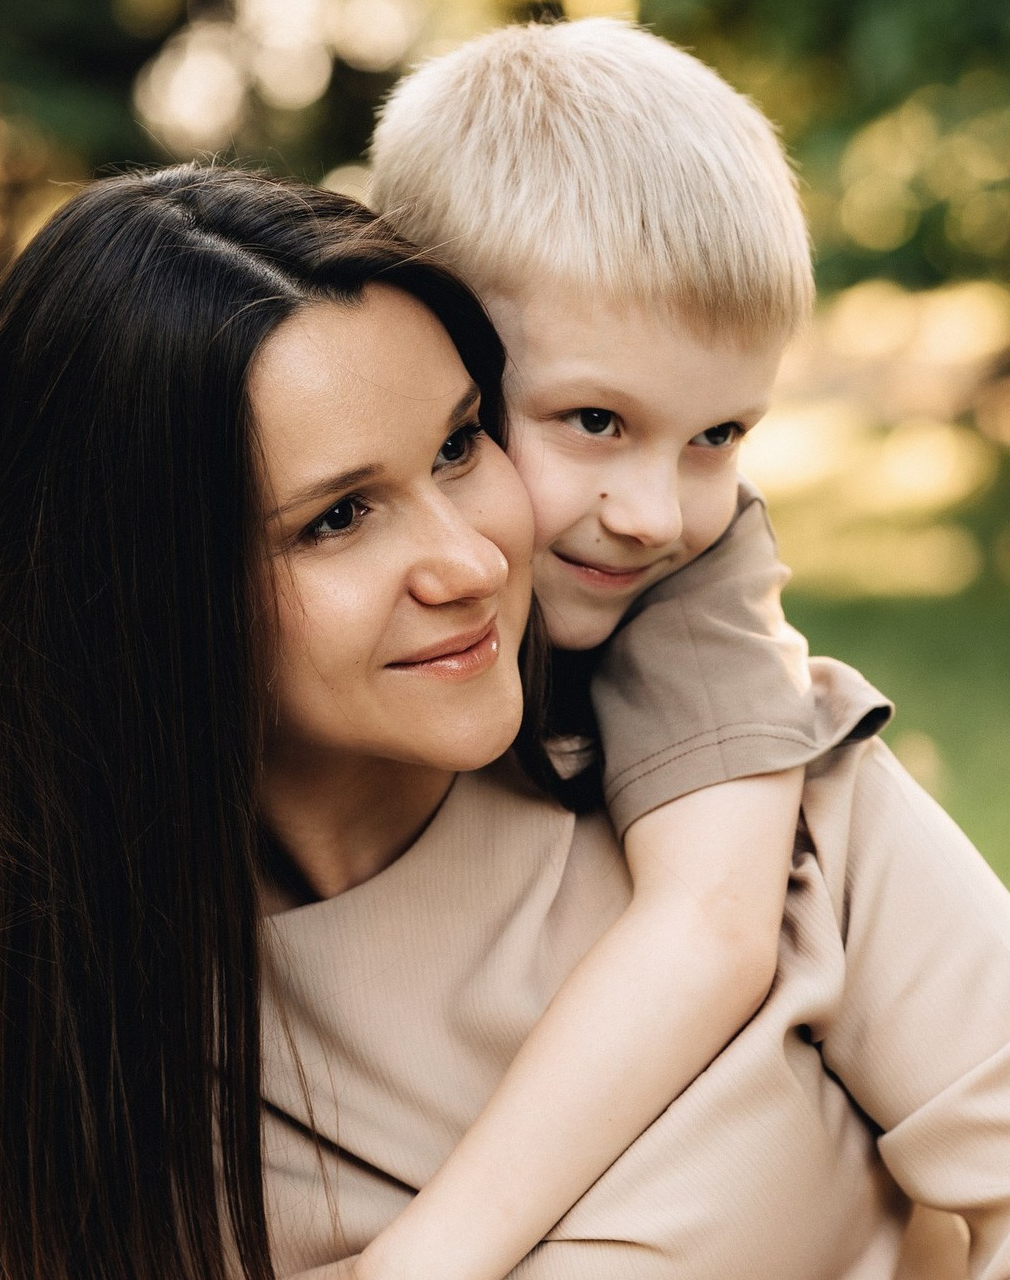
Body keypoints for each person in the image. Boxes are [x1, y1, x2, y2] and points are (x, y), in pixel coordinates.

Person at [0, 164, 1010, 1280]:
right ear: (132, 597)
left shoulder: (760, 789)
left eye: (460, 446)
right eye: (338, 517)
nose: (470, 557)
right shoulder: (78, 978)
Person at [324, 19, 874, 1280]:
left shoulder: (694, 571)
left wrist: (423, 1261)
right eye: (593, 420)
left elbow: (712, 926)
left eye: (719, 431)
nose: (658, 510)